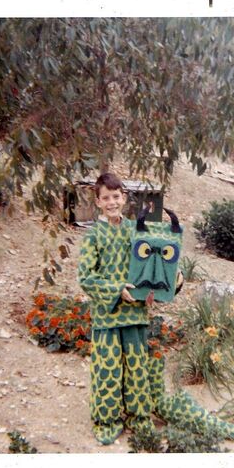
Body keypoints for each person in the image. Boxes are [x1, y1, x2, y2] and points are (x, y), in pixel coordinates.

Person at [78, 172, 182, 444]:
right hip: (107, 315)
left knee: (137, 368)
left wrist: (169, 282)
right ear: (98, 202)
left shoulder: (137, 231)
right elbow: (86, 278)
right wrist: (115, 291)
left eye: (116, 196)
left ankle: (138, 417)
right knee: (108, 369)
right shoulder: (93, 236)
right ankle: (108, 420)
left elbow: (153, 261)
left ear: (124, 198)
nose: (112, 202)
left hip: (135, 313)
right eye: (106, 198)